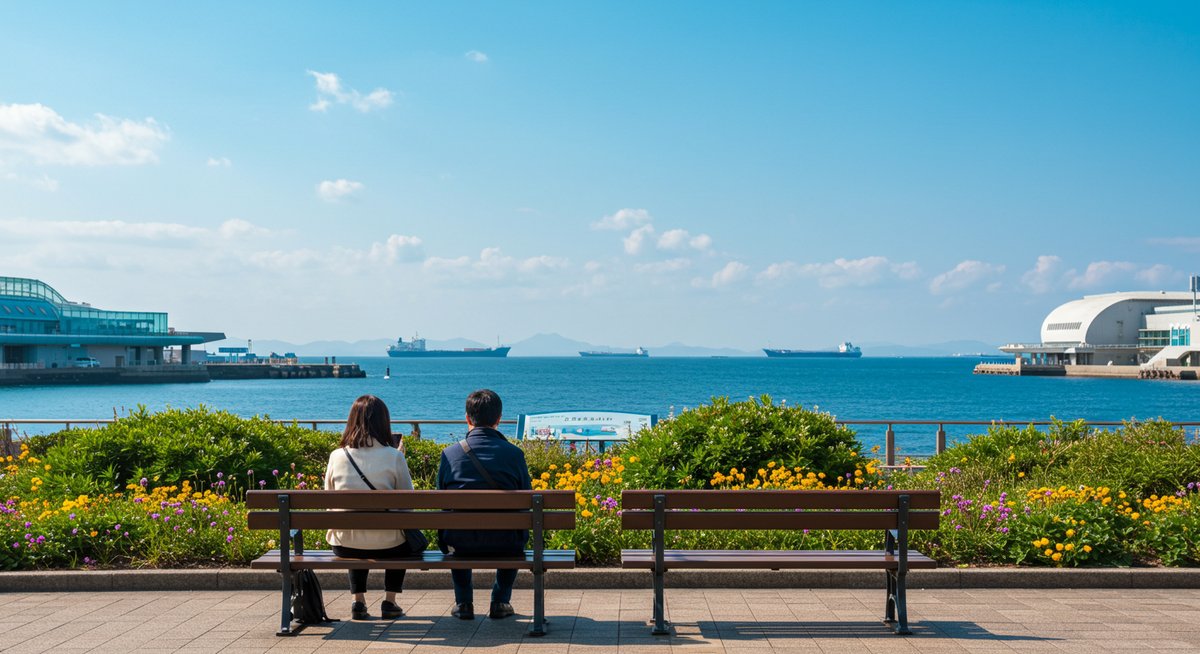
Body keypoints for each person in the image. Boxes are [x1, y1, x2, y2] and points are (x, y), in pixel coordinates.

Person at [437, 389, 533, 620]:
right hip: (507, 542)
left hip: (460, 542)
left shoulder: (450, 454)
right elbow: (527, 500)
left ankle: (463, 603)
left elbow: (442, 500)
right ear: (499, 419)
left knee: (456, 525)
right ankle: (500, 601)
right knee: (513, 530)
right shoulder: (514, 454)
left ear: (468, 419)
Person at [324, 394, 415, 620]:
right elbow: (409, 504)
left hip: (345, 545)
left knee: (354, 529)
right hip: (390, 545)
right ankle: (390, 601)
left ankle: (358, 602)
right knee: (400, 537)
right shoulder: (394, 456)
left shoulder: (337, 456)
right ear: (384, 422)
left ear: (351, 421)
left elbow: (328, 501)